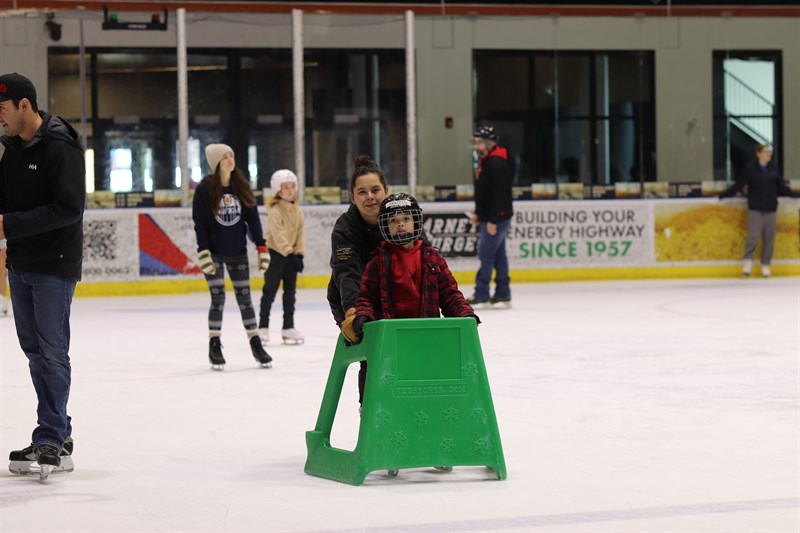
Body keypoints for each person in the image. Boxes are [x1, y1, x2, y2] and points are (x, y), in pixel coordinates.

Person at [0, 72, 85, 479]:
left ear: (24, 106)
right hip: (20, 265)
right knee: (35, 354)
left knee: (52, 352)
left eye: (1, 109)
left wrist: (8, 226)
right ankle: (55, 433)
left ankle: (51, 434)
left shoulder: (60, 147)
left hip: (54, 264)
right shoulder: (12, 151)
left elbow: (69, 208)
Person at [349, 193, 479, 341]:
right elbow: (367, 297)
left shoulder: (432, 259)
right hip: (391, 336)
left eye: (406, 219)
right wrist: (364, 315)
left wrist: (464, 313)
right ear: (385, 225)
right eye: (393, 220)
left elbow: (449, 293)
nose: (400, 225)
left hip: (427, 334)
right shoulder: (377, 262)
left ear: (415, 221)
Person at [192, 143, 272, 370]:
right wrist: (203, 251)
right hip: (213, 253)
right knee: (218, 299)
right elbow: (200, 223)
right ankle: (214, 344)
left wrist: (261, 247)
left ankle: (256, 343)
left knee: (245, 298)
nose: (230, 160)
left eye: (231, 155)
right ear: (216, 162)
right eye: (225, 157)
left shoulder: (241, 186)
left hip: (237, 251)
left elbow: (253, 220)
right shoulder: (204, 189)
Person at [327, 154, 388, 405]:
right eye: (362, 192)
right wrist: (353, 311)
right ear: (352, 197)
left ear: (386, 191)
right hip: (352, 298)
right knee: (371, 354)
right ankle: (370, 410)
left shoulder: (400, 217)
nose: (370, 197)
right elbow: (347, 273)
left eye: (375, 190)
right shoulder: (346, 228)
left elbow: (424, 257)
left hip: (392, 293)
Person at [719, 144, 796, 278]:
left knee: (769, 238)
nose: (768, 154)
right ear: (758, 154)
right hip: (756, 208)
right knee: (753, 237)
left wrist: (796, 195)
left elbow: (782, 188)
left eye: (769, 152)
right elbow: (738, 185)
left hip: (770, 209)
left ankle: (765, 264)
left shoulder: (773, 169)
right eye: (765, 152)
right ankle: (748, 262)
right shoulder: (751, 169)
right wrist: (722, 195)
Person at [258, 169, 305, 345]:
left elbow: (300, 233)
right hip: (275, 255)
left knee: (290, 293)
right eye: (285, 187)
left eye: (292, 186)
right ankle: (262, 327)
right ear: (278, 190)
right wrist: (289, 252)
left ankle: (288, 327)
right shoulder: (275, 211)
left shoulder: (298, 211)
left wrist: (299, 254)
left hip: (291, 256)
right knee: (269, 291)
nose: (290, 190)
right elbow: (277, 235)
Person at [469, 125, 513, 309]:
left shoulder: (496, 163)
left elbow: (499, 195)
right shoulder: (488, 161)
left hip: (497, 218)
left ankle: (482, 293)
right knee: (499, 255)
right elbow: (485, 191)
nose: (476, 146)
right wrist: (479, 213)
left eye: (479, 142)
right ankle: (503, 293)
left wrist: (493, 220)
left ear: (489, 144)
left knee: (486, 255)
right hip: (492, 216)